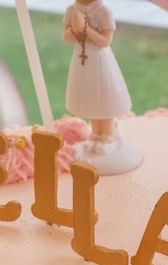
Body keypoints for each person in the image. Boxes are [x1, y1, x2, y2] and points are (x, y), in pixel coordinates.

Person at [63, 0, 133, 157]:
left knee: (103, 95)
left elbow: (105, 41)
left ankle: (108, 133)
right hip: (82, 61)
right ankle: (96, 132)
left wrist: (86, 29)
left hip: (99, 59)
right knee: (90, 95)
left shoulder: (103, 11)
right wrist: (75, 27)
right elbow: (66, 37)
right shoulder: (72, 10)